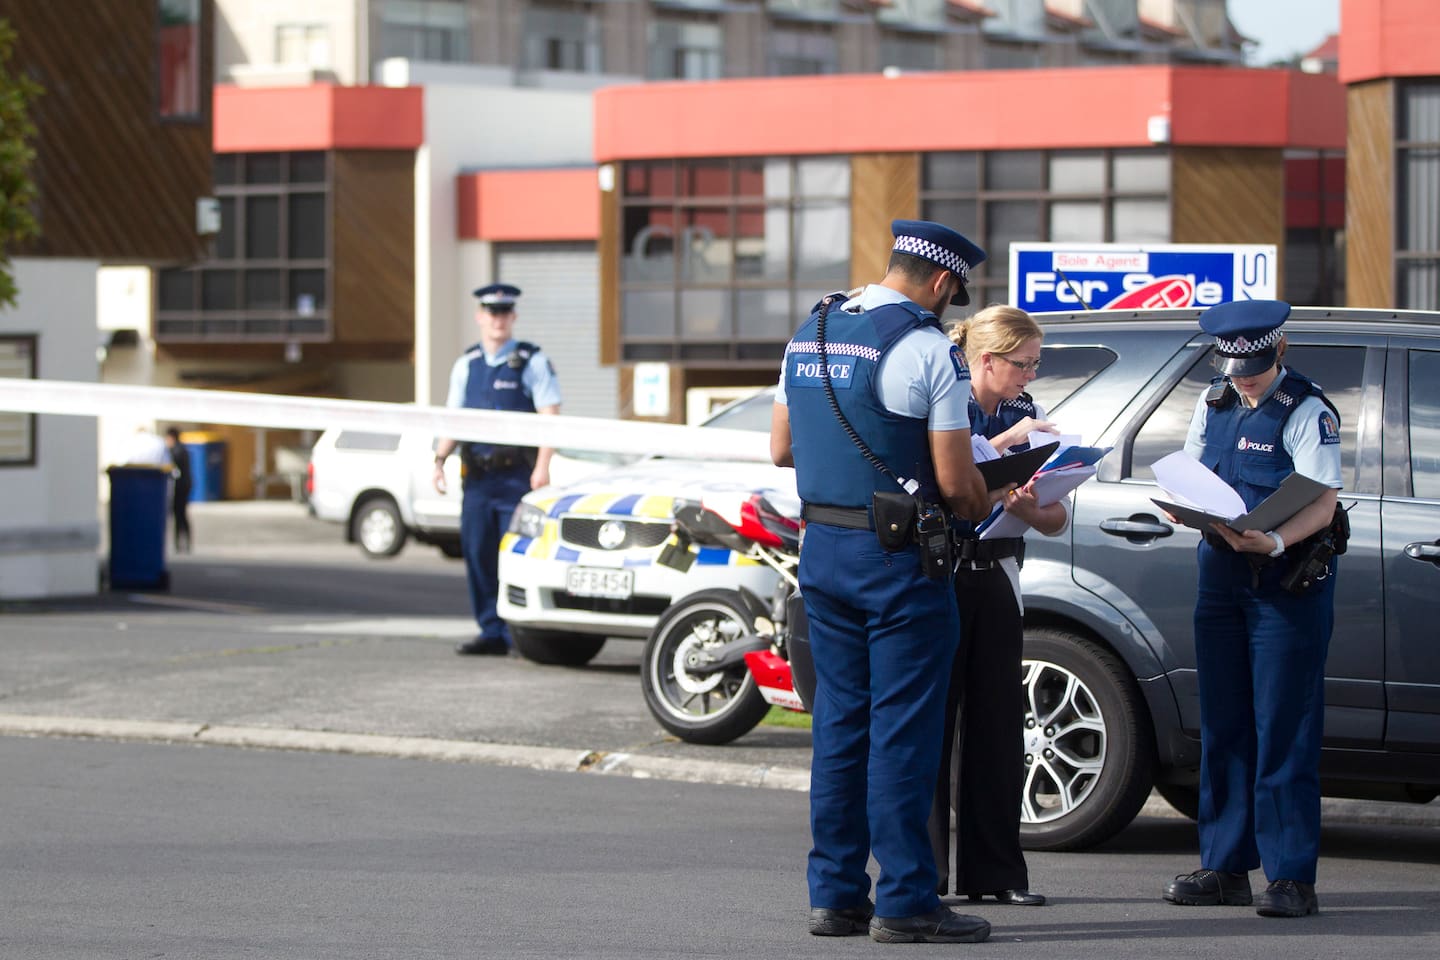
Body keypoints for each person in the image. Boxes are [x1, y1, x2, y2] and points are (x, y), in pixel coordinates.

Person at [770, 219, 1002, 944]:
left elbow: (780, 448)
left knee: (839, 725)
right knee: (903, 732)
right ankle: (905, 899)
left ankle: (835, 896)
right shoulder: (930, 348)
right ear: (941, 282)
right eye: (954, 293)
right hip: (898, 561)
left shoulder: (809, 330)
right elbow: (957, 485)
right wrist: (1001, 495)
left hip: (823, 549)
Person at [1162, 299, 1342, 919]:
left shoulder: (1307, 409)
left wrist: (1277, 540)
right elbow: (1193, 476)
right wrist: (1184, 508)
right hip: (1222, 576)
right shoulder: (1213, 401)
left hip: (1284, 581)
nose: (1243, 381)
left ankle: (1292, 876)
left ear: (1280, 351)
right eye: (1235, 370)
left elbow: (1321, 502)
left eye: (1254, 371)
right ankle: (1224, 866)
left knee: (1284, 726)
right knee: (1225, 723)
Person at [931, 305, 1067, 907]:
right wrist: (1002, 451)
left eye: (1036, 365)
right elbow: (947, 486)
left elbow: (1054, 519)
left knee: (997, 727)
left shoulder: (1023, 413)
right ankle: (923, 874)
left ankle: (995, 873)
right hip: (943, 571)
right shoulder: (948, 398)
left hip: (999, 570)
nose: (1029, 378)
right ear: (986, 359)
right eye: (1023, 364)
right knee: (932, 725)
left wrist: (1028, 501)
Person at [433, 283, 561, 656]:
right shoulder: (467, 364)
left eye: (504, 313)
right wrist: (439, 460)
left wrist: (542, 467)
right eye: (491, 312)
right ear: (480, 317)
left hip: (514, 477)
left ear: (513, 317)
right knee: (477, 552)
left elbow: (549, 416)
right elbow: (453, 420)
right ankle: (491, 632)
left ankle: (521, 633)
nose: (498, 319)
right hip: (477, 478)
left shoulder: (530, 360)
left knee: (517, 556)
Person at [165, 428, 194, 554]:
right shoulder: (182, 449)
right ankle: (183, 542)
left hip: (180, 487)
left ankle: (180, 543)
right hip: (184, 486)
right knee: (181, 514)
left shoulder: (176, 451)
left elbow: (171, 466)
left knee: (179, 514)